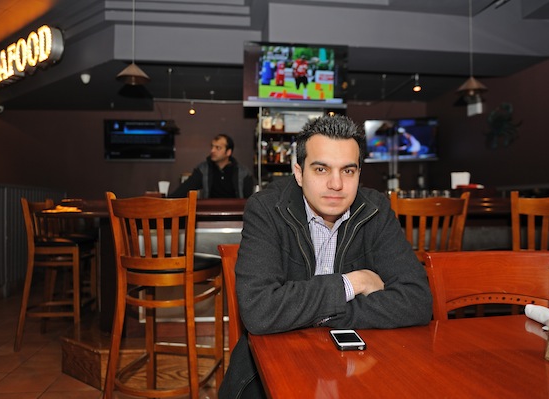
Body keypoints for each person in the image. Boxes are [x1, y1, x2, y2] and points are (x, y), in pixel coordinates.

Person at [218, 115, 433, 398]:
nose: (336, 184)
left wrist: (319, 313)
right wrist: (353, 284)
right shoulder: (266, 209)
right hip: (274, 364)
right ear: (298, 172)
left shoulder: (376, 209)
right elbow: (259, 310)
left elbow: (418, 301)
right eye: (321, 169)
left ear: (359, 174)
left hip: (359, 365)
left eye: (348, 171)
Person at [169, 134, 254, 199]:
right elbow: (183, 190)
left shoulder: (243, 172)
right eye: (212, 147)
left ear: (228, 152)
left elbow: (250, 200)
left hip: (237, 217)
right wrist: (166, 202)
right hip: (209, 217)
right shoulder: (203, 169)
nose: (212, 150)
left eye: (218, 148)